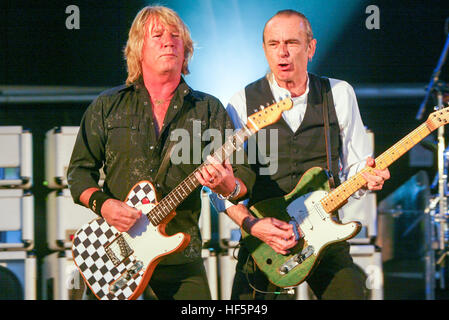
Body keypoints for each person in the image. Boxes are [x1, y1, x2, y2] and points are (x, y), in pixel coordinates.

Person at [67, 5, 254, 300]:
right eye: (158, 35)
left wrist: (228, 186)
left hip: (181, 258)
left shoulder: (208, 109)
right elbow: (78, 173)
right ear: (138, 49)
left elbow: (241, 178)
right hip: (114, 255)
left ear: (186, 50)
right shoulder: (106, 106)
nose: (169, 41)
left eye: (175, 36)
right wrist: (104, 205)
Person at [212, 9, 390, 300]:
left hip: (325, 232)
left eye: (292, 43)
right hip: (265, 240)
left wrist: (366, 178)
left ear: (311, 47)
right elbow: (221, 188)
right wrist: (253, 226)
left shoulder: (339, 93)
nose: (282, 53)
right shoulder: (242, 101)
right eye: (273, 44)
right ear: (264, 49)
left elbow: (356, 165)